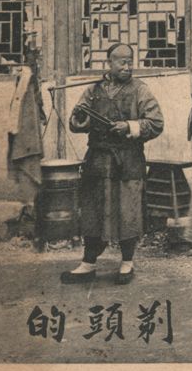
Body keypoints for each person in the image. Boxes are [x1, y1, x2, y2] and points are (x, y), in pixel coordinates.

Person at [60, 43, 164, 285]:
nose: (127, 66)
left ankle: (127, 261)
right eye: (121, 62)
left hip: (127, 160)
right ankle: (88, 263)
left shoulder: (140, 90)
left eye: (130, 61)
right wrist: (79, 116)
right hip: (97, 160)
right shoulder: (93, 90)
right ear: (109, 63)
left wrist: (129, 126)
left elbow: (156, 123)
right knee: (92, 211)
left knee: (127, 210)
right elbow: (77, 124)